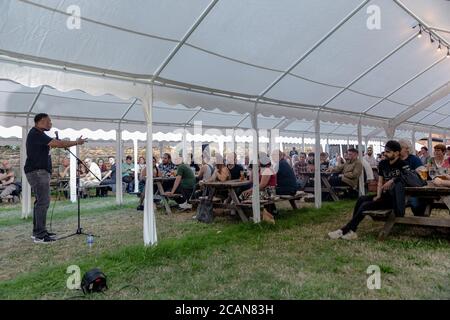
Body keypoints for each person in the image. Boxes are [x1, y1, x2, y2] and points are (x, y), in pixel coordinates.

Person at [24, 113, 86, 243]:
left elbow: (53, 143)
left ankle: (39, 231)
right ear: (40, 121)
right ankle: (40, 235)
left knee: (40, 202)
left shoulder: (38, 135)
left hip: (38, 172)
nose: (50, 124)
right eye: (48, 121)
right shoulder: (36, 133)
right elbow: (58, 143)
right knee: (43, 202)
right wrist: (77, 142)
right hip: (37, 172)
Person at [328, 140, 408, 240]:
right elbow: (380, 182)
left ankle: (345, 230)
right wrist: (378, 196)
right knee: (361, 199)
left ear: (396, 153)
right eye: (385, 151)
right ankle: (352, 230)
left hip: (396, 199)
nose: (385, 154)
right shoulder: (383, 163)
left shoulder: (403, 164)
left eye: (388, 152)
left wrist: (392, 180)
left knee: (365, 205)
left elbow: (407, 178)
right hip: (385, 195)